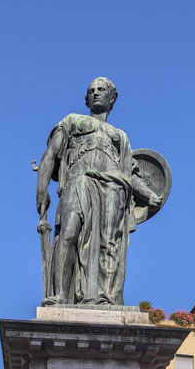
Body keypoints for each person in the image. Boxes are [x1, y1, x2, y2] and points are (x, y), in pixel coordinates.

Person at [35, 78, 162, 306]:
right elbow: (51, 154)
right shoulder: (73, 121)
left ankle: (106, 296)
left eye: (100, 90)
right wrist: (41, 188)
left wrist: (149, 195)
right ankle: (61, 294)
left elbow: (129, 172)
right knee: (69, 233)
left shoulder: (120, 137)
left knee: (109, 244)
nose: (95, 93)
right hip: (78, 182)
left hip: (113, 190)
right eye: (91, 90)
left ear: (111, 98)